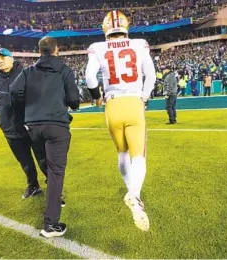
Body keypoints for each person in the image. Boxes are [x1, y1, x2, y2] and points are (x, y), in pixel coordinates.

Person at [85, 10, 156, 232]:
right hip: (133, 102)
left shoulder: (98, 48)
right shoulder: (139, 44)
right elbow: (151, 76)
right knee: (139, 156)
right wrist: (143, 97)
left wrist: (97, 97)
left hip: (112, 105)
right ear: (126, 26)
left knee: (122, 154)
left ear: (106, 28)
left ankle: (133, 194)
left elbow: (89, 77)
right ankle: (134, 194)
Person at [10, 37, 79, 238]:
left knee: (46, 164)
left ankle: (54, 200)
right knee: (56, 173)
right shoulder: (65, 70)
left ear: (39, 51)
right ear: (57, 50)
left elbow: (14, 91)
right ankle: (51, 224)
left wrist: (28, 106)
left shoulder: (28, 71)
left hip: (33, 126)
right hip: (57, 126)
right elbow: (74, 100)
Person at [0, 48, 47, 199]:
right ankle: (33, 186)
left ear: (11, 58)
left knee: (43, 159)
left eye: (2, 57)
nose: (0, 61)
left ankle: (54, 186)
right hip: (11, 129)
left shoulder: (27, 74)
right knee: (25, 162)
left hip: (31, 126)